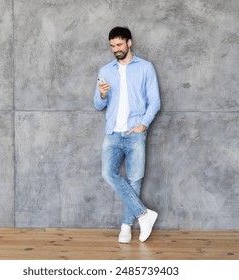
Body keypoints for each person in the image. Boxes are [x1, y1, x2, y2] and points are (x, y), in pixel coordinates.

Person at [94, 26, 161, 243]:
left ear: (129, 42)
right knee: (107, 172)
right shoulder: (105, 70)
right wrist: (102, 95)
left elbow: (155, 102)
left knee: (134, 179)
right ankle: (144, 215)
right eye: (112, 46)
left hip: (135, 132)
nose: (116, 49)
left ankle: (125, 227)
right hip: (113, 132)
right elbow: (97, 104)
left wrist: (143, 125)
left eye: (119, 45)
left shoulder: (145, 68)